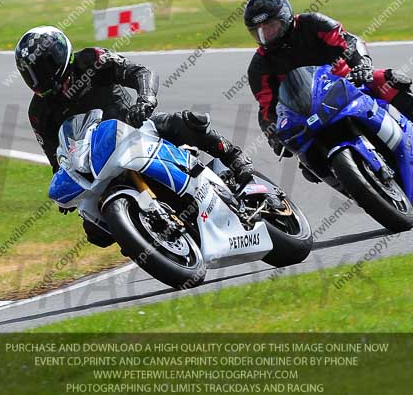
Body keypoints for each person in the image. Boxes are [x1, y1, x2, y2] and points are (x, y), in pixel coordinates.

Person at [15, 26, 254, 246]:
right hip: (96, 162)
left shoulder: (92, 60)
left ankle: (234, 157)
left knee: (183, 123)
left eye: (45, 66)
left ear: (60, 54)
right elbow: (55, 157)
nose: (41, 77)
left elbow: (140, 72)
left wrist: (146, 98)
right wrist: (66, 186)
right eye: (33, 74)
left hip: (135, 128)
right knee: (95, 231)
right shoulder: (38, 112)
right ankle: (143, 240)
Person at [243, 0, 413, 182]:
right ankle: (346, 180)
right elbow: (266, 107)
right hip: (308, 109)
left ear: (286, 17)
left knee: (387, 79)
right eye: (259, 31)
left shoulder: (312, 23)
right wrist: (274, 135)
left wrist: (362, 66)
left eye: (270, 26)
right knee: (307, 163)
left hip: (345, 83)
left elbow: (349, 42)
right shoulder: (259, 66)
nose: (266, 35)